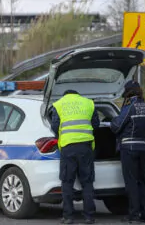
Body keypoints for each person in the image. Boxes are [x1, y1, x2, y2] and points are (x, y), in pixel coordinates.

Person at [50, 90, 100, 224]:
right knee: (87, 182)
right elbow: (96, 124)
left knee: (67, 182)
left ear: (65, 95)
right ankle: (89, 216)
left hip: (68, 147)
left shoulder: (59, 104)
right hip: (86, 146)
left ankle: (68, 216)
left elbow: (54, 126)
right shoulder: (89, 103)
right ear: (78, 95)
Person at [110, 80, 145, 223]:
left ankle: (134, 215)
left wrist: (112, 121)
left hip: (129, 147)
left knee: (131, 182)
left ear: (128, 94)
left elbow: (117, 126)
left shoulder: (129, 107)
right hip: (144, 147)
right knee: (141, 181)